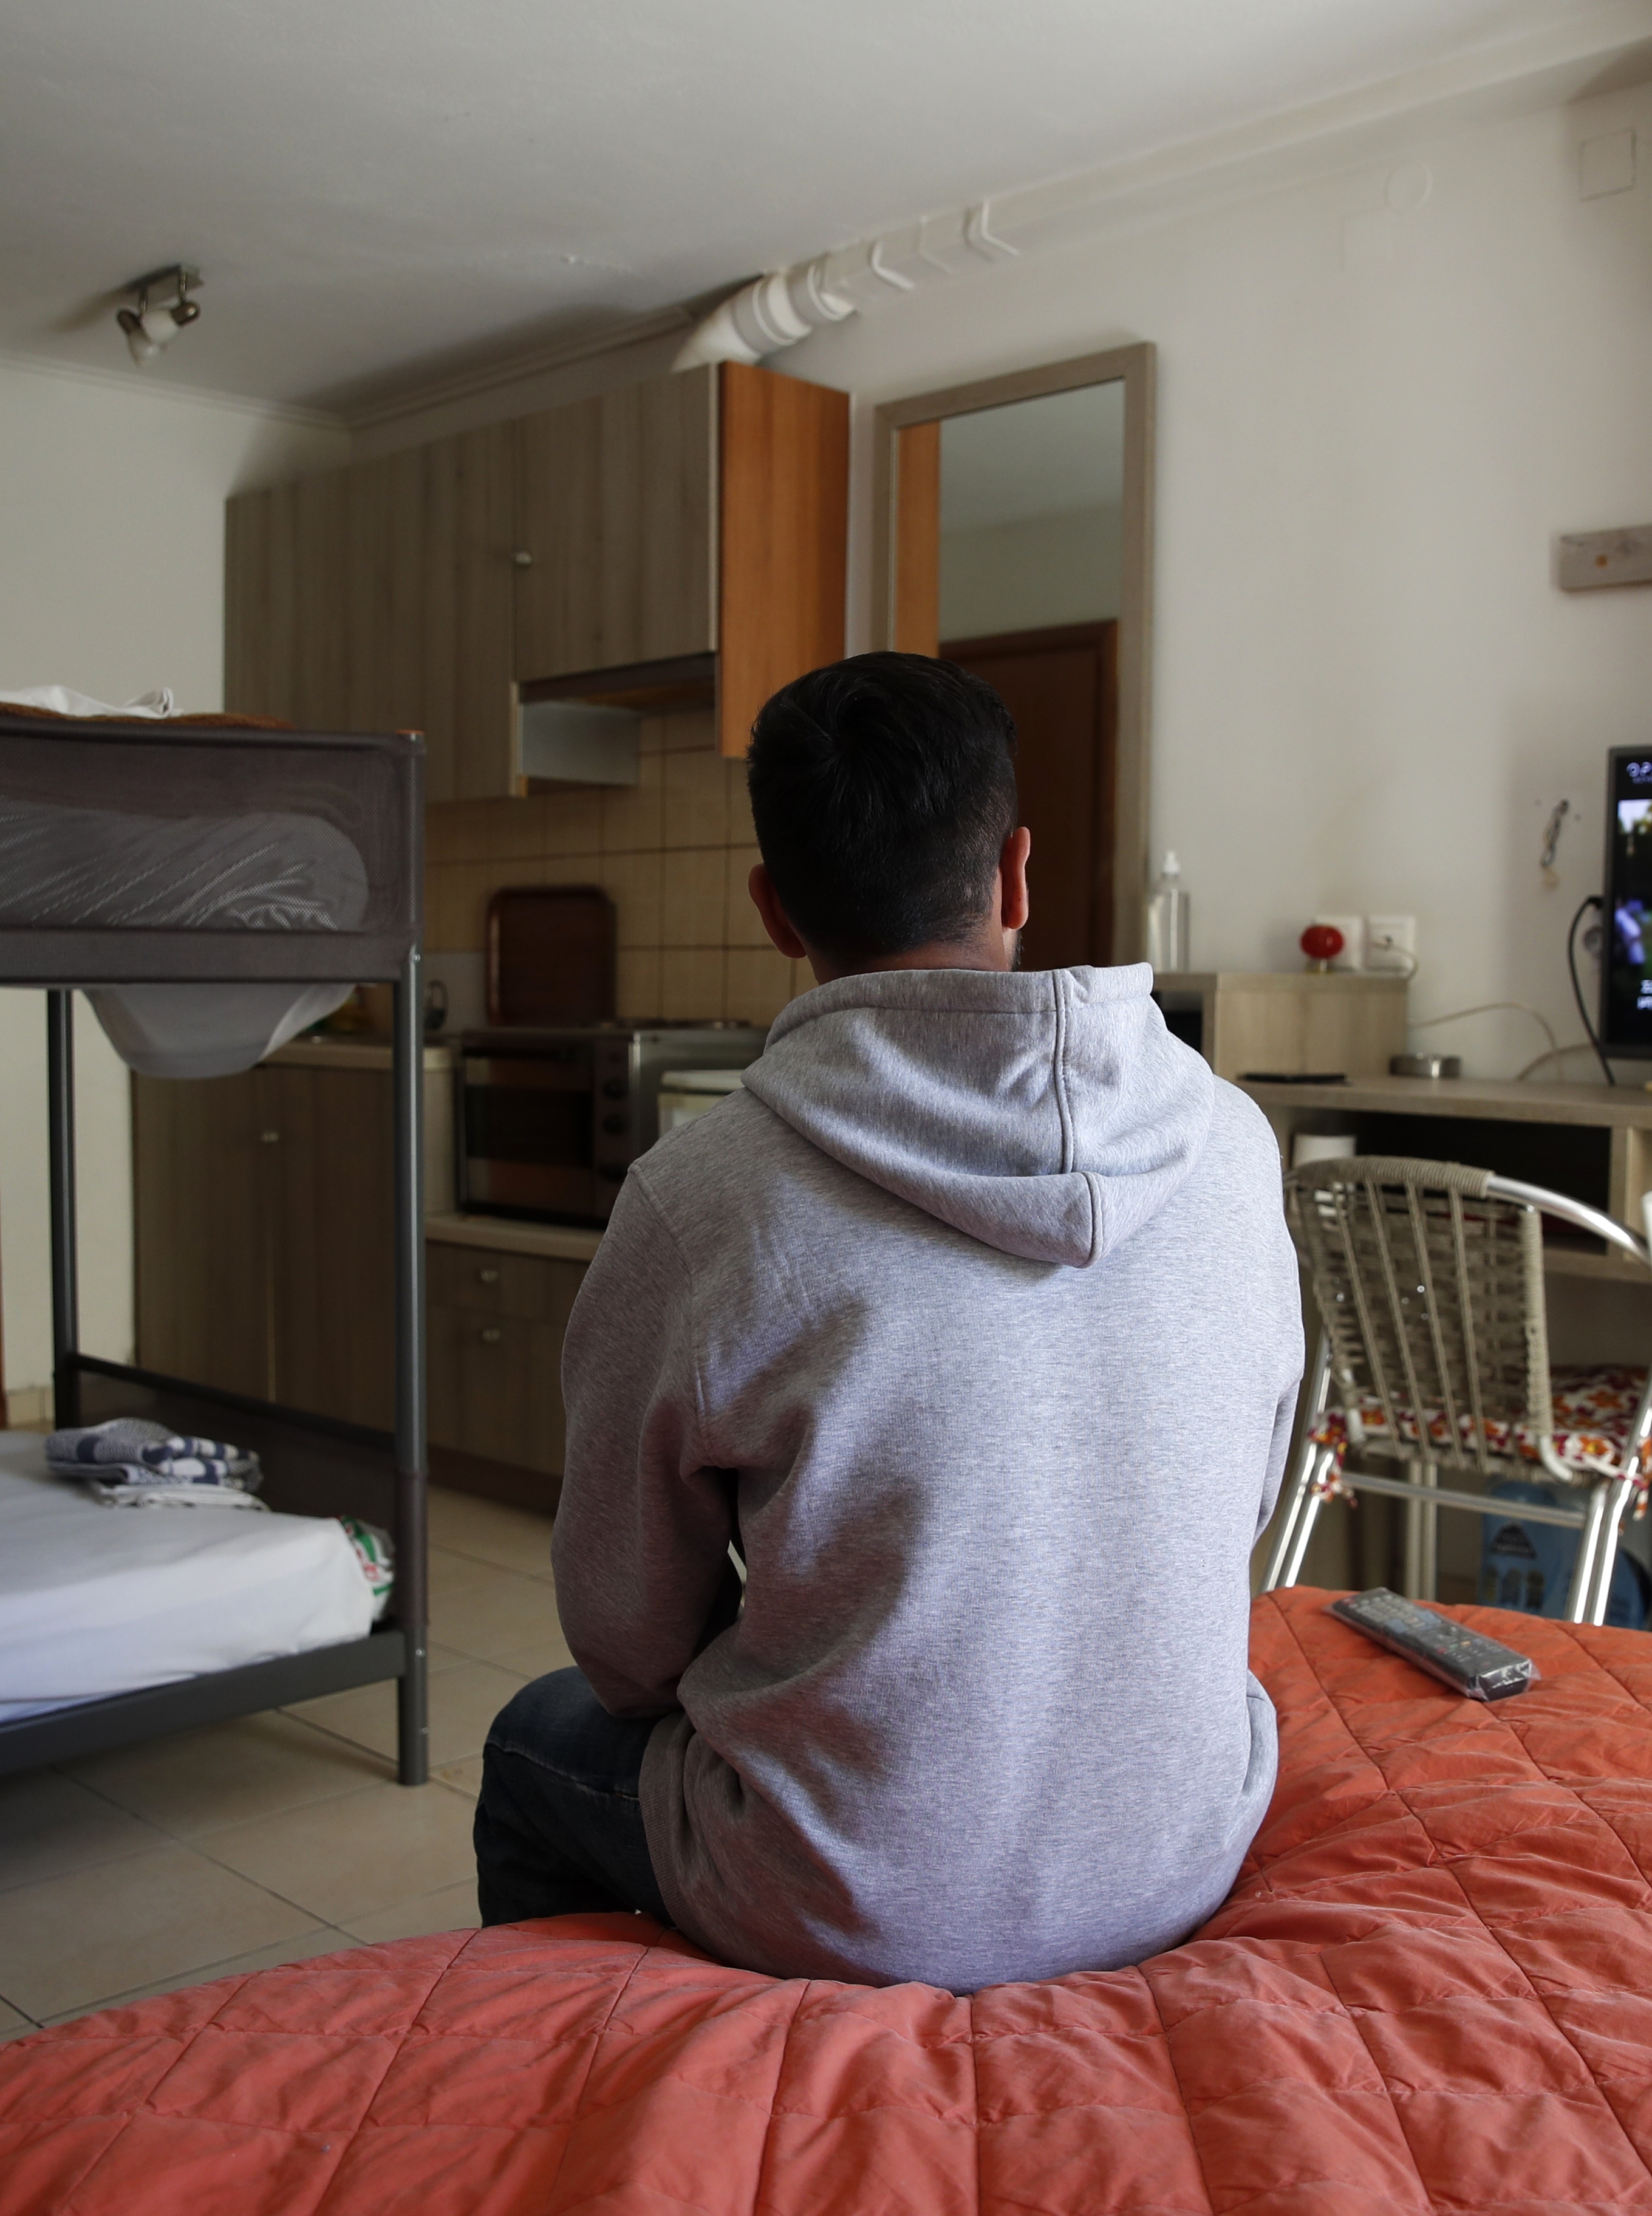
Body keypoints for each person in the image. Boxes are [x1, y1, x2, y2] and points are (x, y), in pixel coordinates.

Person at [474, 652, 1306, 1994]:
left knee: (537, 1741)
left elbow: (626, 1651)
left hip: (852, 1907)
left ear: (771, 908)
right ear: (1016, 873)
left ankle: (586, 2098)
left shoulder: (703, 1198)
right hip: (1180, 1853)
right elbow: (1240, 1502)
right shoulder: (1234, 1141)